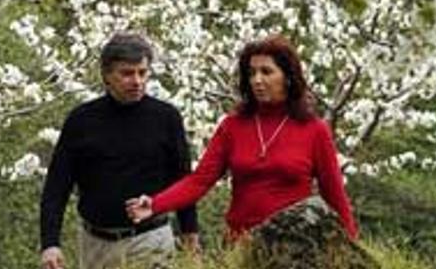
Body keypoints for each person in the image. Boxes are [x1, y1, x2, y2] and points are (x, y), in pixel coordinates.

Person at [126, 34, 358, 242]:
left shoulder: (314, 130)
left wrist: (352, 246)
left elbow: (335, 195)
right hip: (240, 246)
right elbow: (199, 181)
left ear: (287, 77)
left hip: (293, 248)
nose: (257, 79)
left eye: (266, 72)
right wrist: (155, 204)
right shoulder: (232, 126)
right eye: (251, 72)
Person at [40, 33, 199, 269]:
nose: (137, 81)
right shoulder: (82, 120)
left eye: (142, 72)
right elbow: (57, 185)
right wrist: (50, 244)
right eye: (127, 73)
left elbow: (184, 181)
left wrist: (190, 237)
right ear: (107, 75)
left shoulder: (166, 118)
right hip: (95, 243)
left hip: (150, 237)